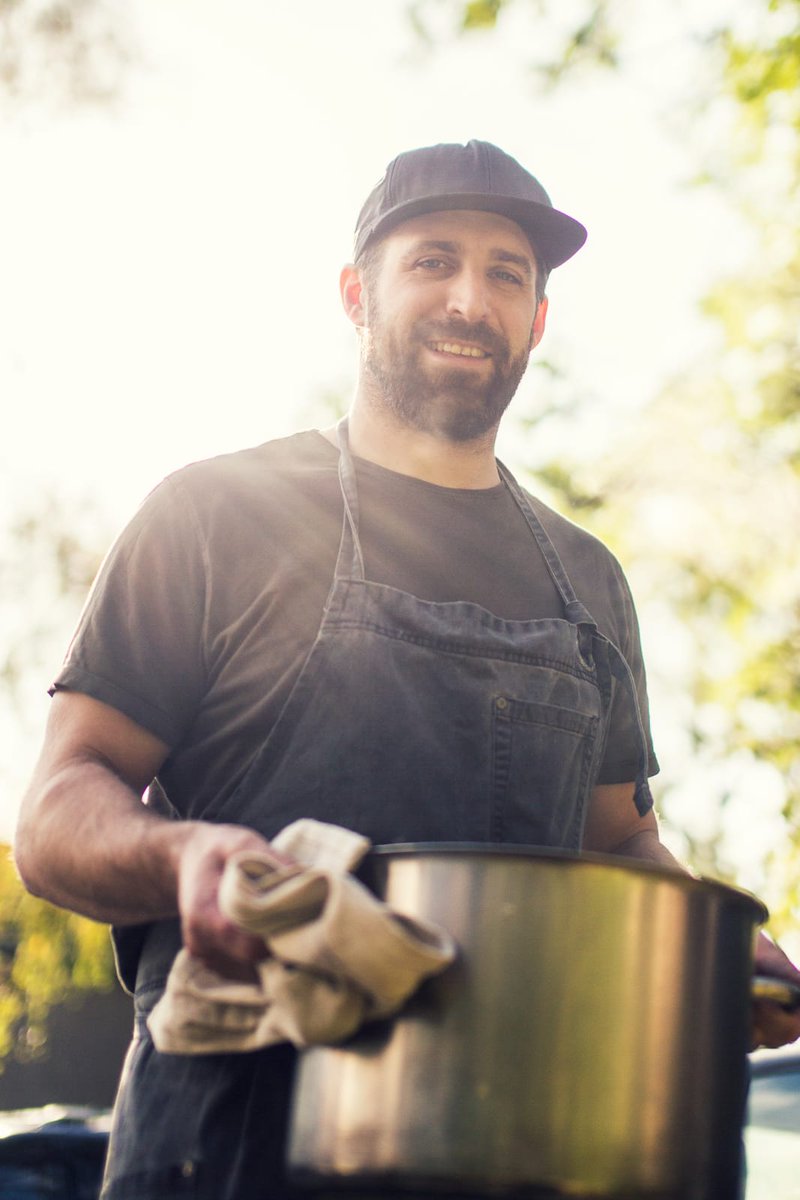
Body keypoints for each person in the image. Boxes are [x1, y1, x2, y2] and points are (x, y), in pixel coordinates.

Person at [14, 140, 800, 1200]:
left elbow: (618, 841)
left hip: (520, 1153)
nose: (469, 300)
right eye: (431, 261)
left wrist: (714, 957)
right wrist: (184, 854)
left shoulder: (586, 579)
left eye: (505, 273)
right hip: (229, 1152)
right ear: (356, 293)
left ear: (536, 320)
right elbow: (61, 809)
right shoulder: (216, 515)